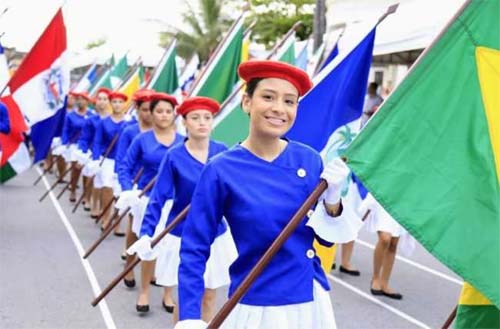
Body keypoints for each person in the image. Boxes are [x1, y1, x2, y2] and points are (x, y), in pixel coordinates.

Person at [175, 60, 357, 328]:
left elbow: (325, 241)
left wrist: (333, 201)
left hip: (309, 301)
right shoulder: (221, 170)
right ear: (247, 102)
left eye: (289, 101)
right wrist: (190, 317)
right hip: (257, 303)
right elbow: (194, 247)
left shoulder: (308, 160)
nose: (279, 109)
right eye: (268, 97)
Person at [129, 96, 237, 319]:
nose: (202, 122)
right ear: (185, 122)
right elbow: (158, 197)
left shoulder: (223, 152)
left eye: (207, 118)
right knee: (188, 298)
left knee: (209, 296)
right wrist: (147, 233)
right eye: (195, 118)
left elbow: (236, 194)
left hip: (215, 234)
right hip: (183, 234)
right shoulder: (174, 155)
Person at [116, 92, 183, 298]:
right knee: (146, 241)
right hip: (148, 198)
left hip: (176, 202)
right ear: (151, 114)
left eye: (168, 112)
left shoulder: (183, 142)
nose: (164, 115)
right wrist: (128, 189)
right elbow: (125, 166)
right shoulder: (141, 139)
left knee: (172, 247)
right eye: (159, 111)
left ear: (174, 115)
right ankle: (143, 289)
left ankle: (167, 294)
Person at [114, 89, 154, 258]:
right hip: (136, 183)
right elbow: (122, 159)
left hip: (157, 186)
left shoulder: (164, 134)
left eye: (152, 109)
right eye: (145, 109)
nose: (149, 114)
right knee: (134, 223)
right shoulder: (130, 132)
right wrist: (127, 188)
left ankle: (150, 267)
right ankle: (129, 258)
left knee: (154, 227)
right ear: (137, 109)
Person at [360, 193, 415, 300]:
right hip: (385, 195)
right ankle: (375, 278)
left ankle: (384, 283)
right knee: (385, 239)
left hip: (403, 199)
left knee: (393, 243)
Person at [90, 91, 128, 233]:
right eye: (115, 102)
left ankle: (116, 221)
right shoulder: (104, 123)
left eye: (120, 102)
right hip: (107, 160)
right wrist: (95, 159)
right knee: (107, 187)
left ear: (125, 104)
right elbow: (97, 142)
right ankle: (106, 216)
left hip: (123, 162)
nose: (117, 105)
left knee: (119, 192)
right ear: (110, 104)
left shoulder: (129, 123)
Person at [75, 87, 111, 215]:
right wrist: (83, 154)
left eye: (105, 99)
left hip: (108, 155)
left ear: (109, 101)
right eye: (99, 99)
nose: (102, 102)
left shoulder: (113, 120)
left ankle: (102, 207)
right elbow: (84, 138)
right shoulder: (91, 120)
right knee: (92, 178)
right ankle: (89, 199)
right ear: (95, 101)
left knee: (105, 183)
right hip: (92, 152)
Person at [60, 92, 92, 202]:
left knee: (86, 170)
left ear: (87, 101)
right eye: (78, 99)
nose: (80, 101)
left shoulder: (91, 115)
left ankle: (85, 194)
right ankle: (73, 190)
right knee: (75, 169)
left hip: (87, 146)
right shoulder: (71, 116)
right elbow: (65, 130)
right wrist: (65, 142)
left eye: (83, 99)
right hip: (74, 145)